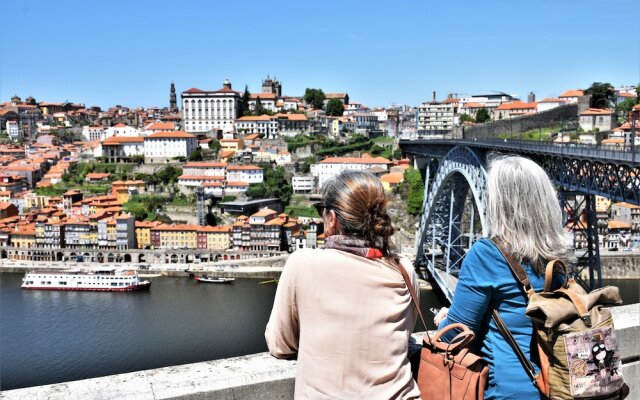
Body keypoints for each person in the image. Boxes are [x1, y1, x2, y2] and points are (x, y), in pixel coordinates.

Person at [265, 170, 421, 399]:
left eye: (322, 212)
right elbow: (404, 333)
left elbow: (280, 344)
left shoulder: (303, 263)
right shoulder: (403, 269)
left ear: (332, 219)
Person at [434, 155, 570, 400]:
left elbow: (457, 333)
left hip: (510, 390)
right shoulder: (558, 254)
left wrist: (446, 319)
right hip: (558, 385)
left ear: (501, 203)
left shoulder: (486, 254)